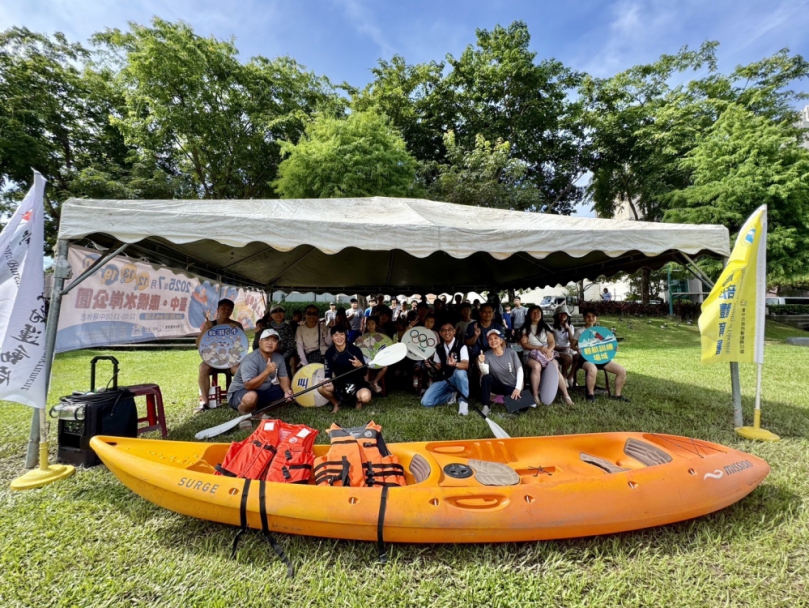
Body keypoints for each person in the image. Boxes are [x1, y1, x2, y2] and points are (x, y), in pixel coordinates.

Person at [226, 329, 294, 431]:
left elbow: (283, 377)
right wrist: (267, 371)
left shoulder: (279, 358)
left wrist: (287, 391)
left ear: (278, 344)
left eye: (274, 340)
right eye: (266, 339)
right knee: (251, 397)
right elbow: (248, 385)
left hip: (262, 389)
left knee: (288, 396)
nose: (270, 343)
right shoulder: (250, 359)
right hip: (241, 391)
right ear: (260, 342)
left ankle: (257, 413)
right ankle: (245, 416)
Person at [520, 305, 574, 406]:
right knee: (537, 367)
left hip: (546, 353)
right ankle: (535, 395)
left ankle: (565, 395)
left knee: (554, 367)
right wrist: (539, 348)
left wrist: (549, 350)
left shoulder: (546, 327)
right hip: (530, 355)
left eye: (538, 312)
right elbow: (524, 344)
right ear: (529, 314)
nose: (536, 314)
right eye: (533, 312)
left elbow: (552, 341)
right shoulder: (525, 328)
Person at [196, 298, 244, 413]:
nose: (226, 310)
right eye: (223, 308)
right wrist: (205, 330)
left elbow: (242, 344)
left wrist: (237, 331)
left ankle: (239, 398)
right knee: (203, 367)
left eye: (229, 309)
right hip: (213, 359)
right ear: (218, 310)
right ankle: (205, 402)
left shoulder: (236, 325)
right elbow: (198, 344)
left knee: (238, 369)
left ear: (232, 311)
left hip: (231, 359)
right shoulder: (210, 324)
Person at [573, 310, 629, 402]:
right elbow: (572, 345)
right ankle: (590, 395)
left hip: (601, 358)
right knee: (592, 369)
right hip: (586, 359)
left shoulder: (600, 331)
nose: (590, 318)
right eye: (588, 316)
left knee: (621, 371)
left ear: (596, 318)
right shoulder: (580, 331)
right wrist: (577, 349)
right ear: (584, 318)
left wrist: (613, 347)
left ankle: (617, 395)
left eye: (593, 316)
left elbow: (605, 343)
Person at [420, 321, 470, 415]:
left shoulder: (461, 346)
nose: (447, 332)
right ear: (440, 333)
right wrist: (431, 365)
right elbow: (438, 366)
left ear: (454, 331)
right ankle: (450, 396)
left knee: (460, 372)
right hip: (444, 380)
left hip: (456, 378)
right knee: (426, 402)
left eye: (449, 330)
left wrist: (455, 364)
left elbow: (465, 365)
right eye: (444, 330)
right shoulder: (438, 348)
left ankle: (463, 402)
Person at [319, 325, 372, 413]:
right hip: (339, 384)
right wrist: (327, 379)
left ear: (345, 336)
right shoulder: (329, 353)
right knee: (321, 387)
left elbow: (364, 372)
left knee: (365, 397)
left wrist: (360, 365)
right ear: (332, 338)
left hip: (357, 384)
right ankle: (336, 404)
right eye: (336, 335)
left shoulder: (355, 350)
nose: (339, 338)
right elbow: (328, 371)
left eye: (342, 334)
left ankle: (358, 401)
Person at [477, 329, 523, 415]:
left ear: (501, 340)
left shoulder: (511, 352)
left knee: (525, 406)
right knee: (486, 378)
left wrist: (518, 388)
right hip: (498, 385)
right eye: (490, 339)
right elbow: (486, 372)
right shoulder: (487, 354)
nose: (493, 341)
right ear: (488, 342)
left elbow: (519, 370)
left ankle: (513, 406)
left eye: (496, 338)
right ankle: (486, 406)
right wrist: (481, 363)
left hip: (511, 386)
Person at [254, 304, 297, 372]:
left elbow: (291, 347)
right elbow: (256, 346)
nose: (278, 313)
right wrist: (257, 334)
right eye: (275, 311)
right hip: (268, 356)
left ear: (284, 313)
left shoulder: (288, 328)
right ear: (271, 315)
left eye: (280, 311)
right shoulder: (266, 328)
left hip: (285, 356)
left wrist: (280, 358)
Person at [356, 316, 388, 393]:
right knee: (364, 367)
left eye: (372, 324)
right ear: (366, 325)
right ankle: (366, 385)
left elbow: (384, 347)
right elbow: (359, 348)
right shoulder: (363, 336)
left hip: (378, 357)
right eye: (368, 324)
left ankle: (375, 382)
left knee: (385, 367)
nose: (370, 326)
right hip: (367, 358)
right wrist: (357, 340)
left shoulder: (380, 336)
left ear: (376, 325)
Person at [552, 305, 578, 385]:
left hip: (569, 348)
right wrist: (562, 347)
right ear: (557, 316)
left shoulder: (571, 327)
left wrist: (568, 329)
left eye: (565, 314)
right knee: (568, 357)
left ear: (567, 316)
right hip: (557, 349)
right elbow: (552, 344)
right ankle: (563, 376)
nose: (563, 315)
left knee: (579, 357)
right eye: (560, 313)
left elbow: (572, 341)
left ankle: (570, 376)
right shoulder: (552, 328)